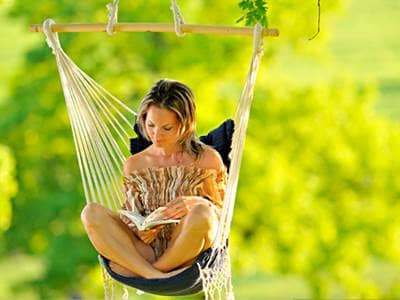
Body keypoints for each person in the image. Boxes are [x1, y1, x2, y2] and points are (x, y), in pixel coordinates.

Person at [81, 79, 227, 279]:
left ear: (186, 124)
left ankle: (152, 272)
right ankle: (156, 274)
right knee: (90, 212)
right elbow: (131, 216)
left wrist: (198, 203)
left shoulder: (207, 159)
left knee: (203, 213)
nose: (156, 135)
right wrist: (141, 227)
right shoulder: (135, 165)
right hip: (146, 251)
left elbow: (222, 219)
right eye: (150, 125)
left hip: (189, 252)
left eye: (166, 128)